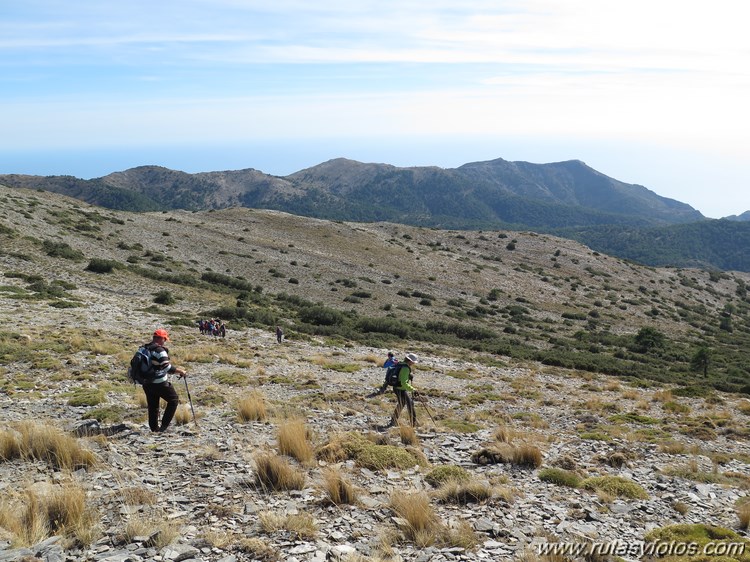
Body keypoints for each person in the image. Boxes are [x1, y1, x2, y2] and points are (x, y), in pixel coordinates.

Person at [142, 328, 187, 433]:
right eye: (165, 339)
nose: (165, 341)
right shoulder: (159, 351)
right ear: (161, 339)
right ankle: (163, 427)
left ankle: (154, 429)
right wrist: (181, 371)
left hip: (147, 382)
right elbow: (167, 367)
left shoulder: (145, 348)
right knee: (173, 400)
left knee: (153, 406)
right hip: (160, 382)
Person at [388, 353, 419, 428]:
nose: (414, 363)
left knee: (402, 403)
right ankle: (413, 423)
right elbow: (403, 382)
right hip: (400, 389)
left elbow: (400, 376)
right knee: (410, 404)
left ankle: (393, 420)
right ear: (410, 361)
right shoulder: (405, 368)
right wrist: (413, 390)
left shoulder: (401, 364)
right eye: (413, 362)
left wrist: (409, 376)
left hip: (396, 388)